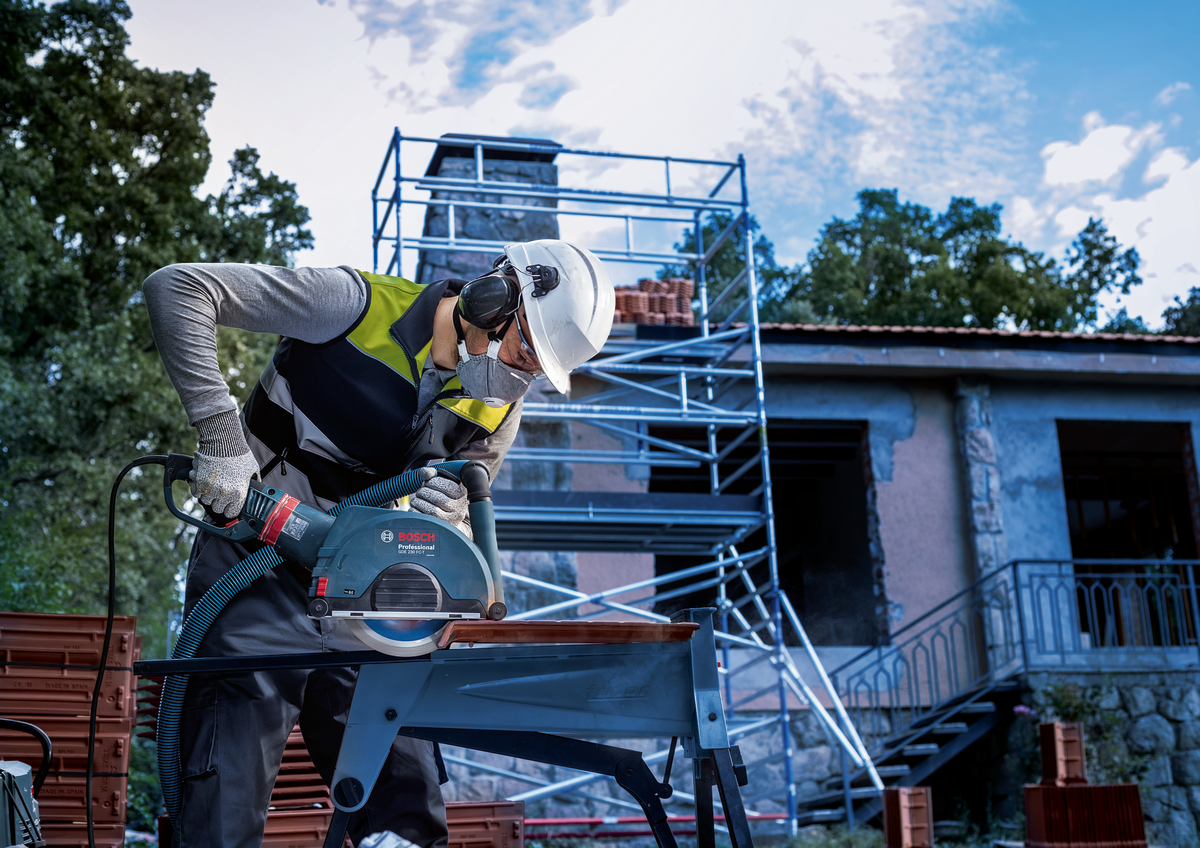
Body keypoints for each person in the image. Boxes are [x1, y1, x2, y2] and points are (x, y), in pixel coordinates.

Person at [142, 239, 615, 848]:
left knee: (405, 794)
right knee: (224, 789)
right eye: (525, 352)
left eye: (537, 373)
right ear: (493, 298)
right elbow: (178, 288)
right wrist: (220, 436)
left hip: (367, 587)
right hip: (253, 559)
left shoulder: (499, 407)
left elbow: (459, 509)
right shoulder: (354, 306)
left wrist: (451, 520)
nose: (520, 379)